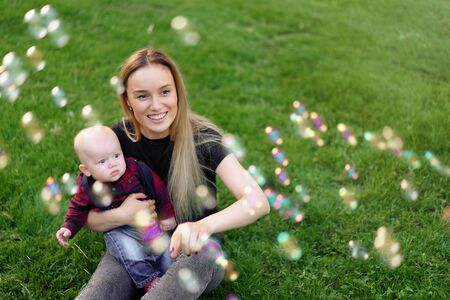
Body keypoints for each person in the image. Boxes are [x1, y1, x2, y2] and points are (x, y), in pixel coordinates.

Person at [76, 48, 270, 300]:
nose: (156, 105)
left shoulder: (204, 138)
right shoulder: (116, 142)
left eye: (165, 92)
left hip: (194, 255)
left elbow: (258, 202)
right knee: (99, 291)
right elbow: (86, 215)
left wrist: (202, 226)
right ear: (128, 102)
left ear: (178, 92)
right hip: (137, 247)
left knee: (202, 253)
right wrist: (121, 215)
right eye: (142, 96)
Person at [55, 125, 177, 291]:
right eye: (102, 161)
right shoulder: (87, 186)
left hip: (146, 222)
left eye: (116, 155)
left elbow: (158, 188)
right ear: (87, 170)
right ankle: (149, 281)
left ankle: (170, 276)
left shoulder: (135, 168)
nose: (113, 164)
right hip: (118, 230)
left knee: (163, 248)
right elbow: (78, 208)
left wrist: (167, 214)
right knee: (130, 252)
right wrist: (68, 227)